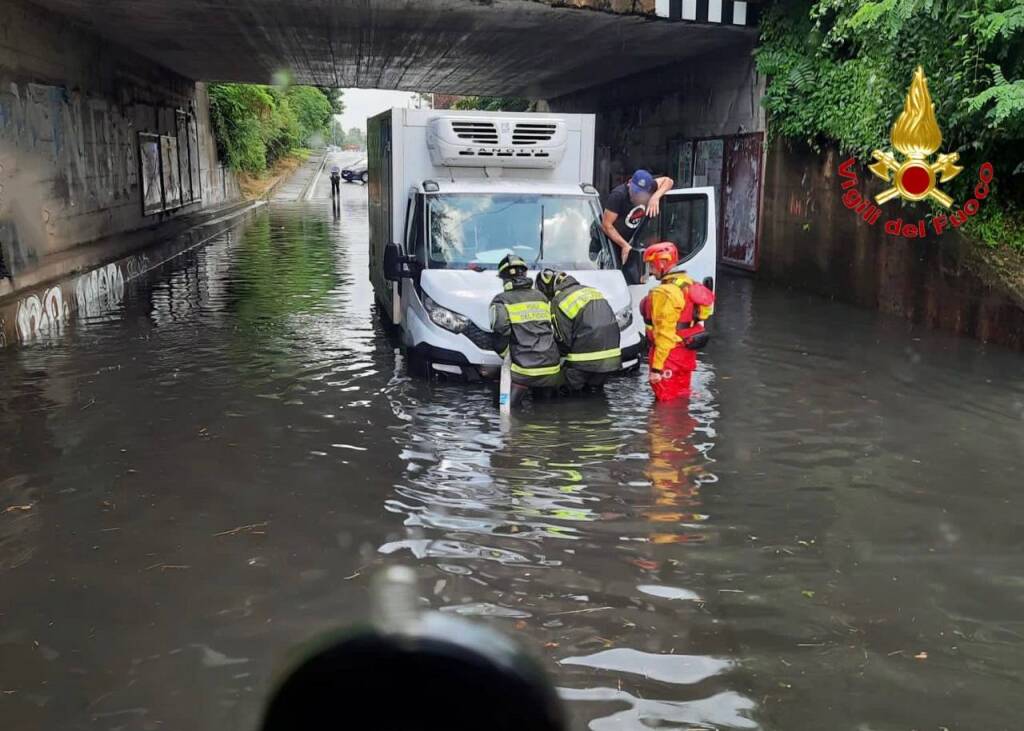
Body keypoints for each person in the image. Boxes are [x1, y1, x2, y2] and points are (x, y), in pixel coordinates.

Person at [639, 242, 715, 402]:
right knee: (681, 396)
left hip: (669, 359)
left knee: (665, 406)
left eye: (651, 266)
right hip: (686, 355)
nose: (651, 272)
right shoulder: (689, 284)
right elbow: (704, 313)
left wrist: (656, 369)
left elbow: (665, 335)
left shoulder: (664, 293)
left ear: (661, 263)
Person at [490, 254, 563, 406]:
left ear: (503, 278)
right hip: (552, 368)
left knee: (504, 410)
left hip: (523, 371)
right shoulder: (542, 297)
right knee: (547, 413)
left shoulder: (500, 300)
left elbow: (500, 330)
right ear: (524, 274)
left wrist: (508, 355)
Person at [536, 269, 620, 393]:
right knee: (596, 397)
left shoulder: (558, 301)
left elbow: (563, 340)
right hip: (613, 358)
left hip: (583, 361)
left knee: (559, 391)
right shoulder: (592, 290)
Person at [601, 169, 674, 283]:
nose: (636, 196)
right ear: (629, 183)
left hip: (630, 242)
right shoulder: (618, 196)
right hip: (609, 242)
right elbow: (606, 225)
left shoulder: (651, 188)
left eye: (640, 194)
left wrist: (656, 197)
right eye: (634, 192)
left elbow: (668, 181)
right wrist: (624, 245)